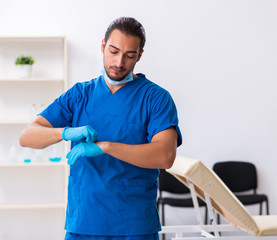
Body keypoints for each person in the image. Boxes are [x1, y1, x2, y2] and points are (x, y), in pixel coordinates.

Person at [19, 17, 182, 240]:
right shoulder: (79, 95)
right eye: (113, 51)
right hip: (84, 220)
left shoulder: (155, 98)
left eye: (129, 55)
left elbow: (165, 156)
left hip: (133, 224)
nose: (119, 61)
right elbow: (27, 137)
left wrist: (105, 147)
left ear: (140, 56)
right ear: (103, 45)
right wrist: (64, 132)